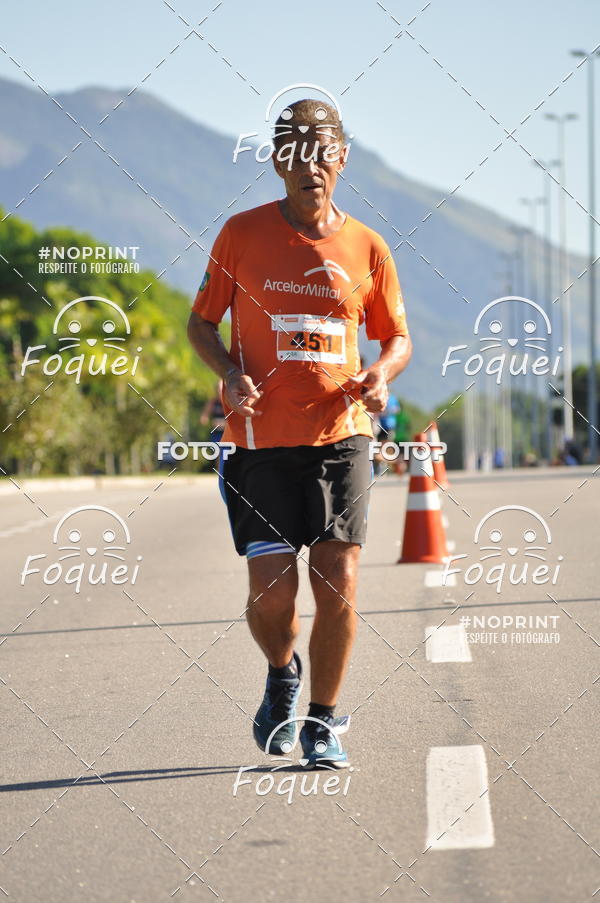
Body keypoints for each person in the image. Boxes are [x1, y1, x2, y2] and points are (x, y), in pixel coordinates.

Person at [187, 98, 411, 768]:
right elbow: (200, 323)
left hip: (342, 436)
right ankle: (282, 671)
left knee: (338, 577)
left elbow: (396, 337)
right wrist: (229, 372)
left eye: (324, 151)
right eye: (296, 151)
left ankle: (323, 719)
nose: (312, 164)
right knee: (272, 594)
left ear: (343, 159)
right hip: (260, 441)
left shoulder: (368, 246)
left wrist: (380, 373)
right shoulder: (241, 235)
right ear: (278, 161)